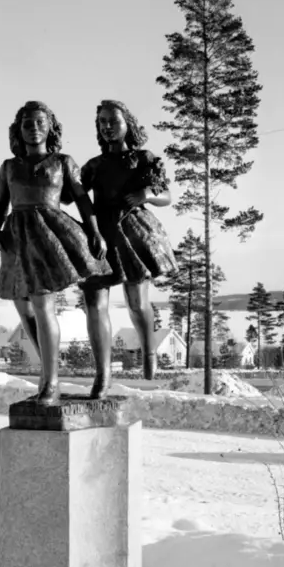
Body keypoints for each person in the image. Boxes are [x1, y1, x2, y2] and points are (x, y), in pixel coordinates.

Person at [0, 100, 110, 403]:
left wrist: (94, 231)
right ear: (19, 130)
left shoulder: (62, 162)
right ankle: (49, 369)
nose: (34, 129)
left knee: (43, 304)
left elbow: (82, 200)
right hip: (17, 238)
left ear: (51, 128)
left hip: (53, 231)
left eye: (40, 123)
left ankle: (50, 384)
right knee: (23, 304)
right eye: (27, 124)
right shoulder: (8, 167)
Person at [81, 99, 177, 396]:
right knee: (94, 304)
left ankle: (149, 353)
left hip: (132, 234)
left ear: (128, 124)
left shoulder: (143, 158)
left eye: (113, 120)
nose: (108, 126)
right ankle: (103, 373)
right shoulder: (93, 166)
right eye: (102, 122)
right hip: (99, 236)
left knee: (136, 301)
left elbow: (166, 195)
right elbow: (75, 196)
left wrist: (145, 194)